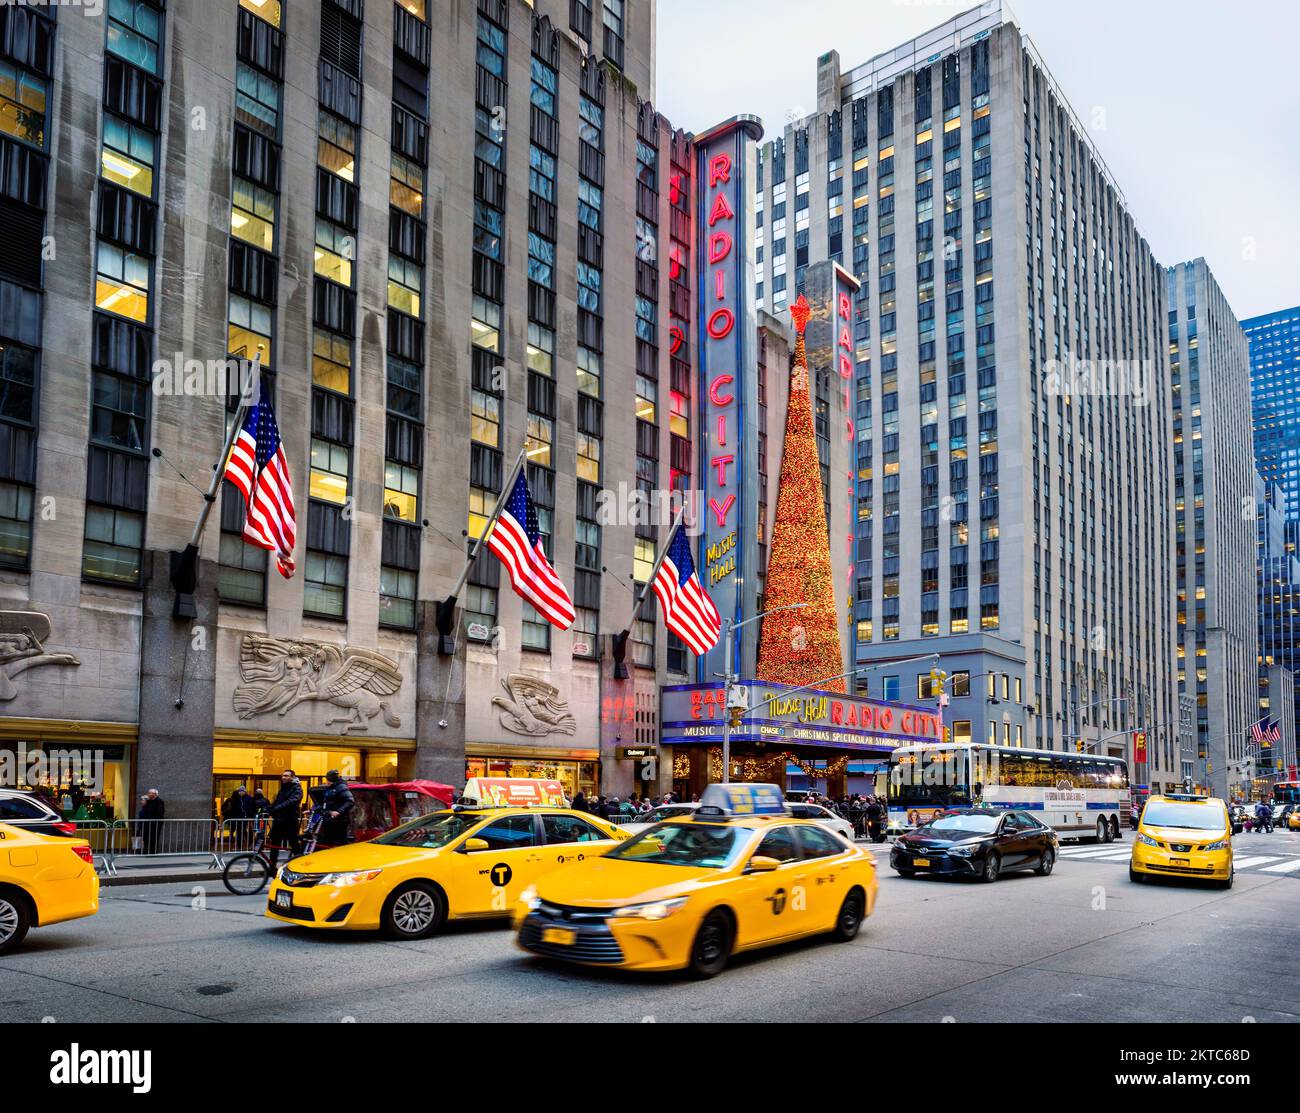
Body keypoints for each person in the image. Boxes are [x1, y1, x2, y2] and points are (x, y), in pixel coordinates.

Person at [266, 769, 303, 871]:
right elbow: (277, 801)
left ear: (292, 777)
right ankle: (272, 868)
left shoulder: (297, 788)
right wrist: (269, 809)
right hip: (279, 820)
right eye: (283, 776)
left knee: (294, 844)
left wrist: (278, 808)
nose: (283, 777)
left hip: (290, 820)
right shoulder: (283, 788)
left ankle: (302, 864)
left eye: (286, 776)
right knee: (274, 845)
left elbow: (292, 801)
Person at [314, 769, 355, 847]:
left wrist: (338, 811)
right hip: (329, 819)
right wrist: (313, 810)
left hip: (338, 820)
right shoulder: (330, 787)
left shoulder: (340, 787)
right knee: (327, 842)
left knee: (338, 842)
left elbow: (350, 801)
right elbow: (325, 803)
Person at [137, 789, 165, 854]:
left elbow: (159, 812)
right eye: (148, 793)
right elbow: (145, 811)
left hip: (155, 824)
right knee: (146, 837)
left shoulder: (159, 801)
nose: (148, 794)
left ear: (155, 794)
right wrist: (144, 804)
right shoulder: (148, 801)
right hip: (147, 823)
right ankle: (146, 851)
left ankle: (153, 852)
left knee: (154, 838)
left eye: (150, 793)